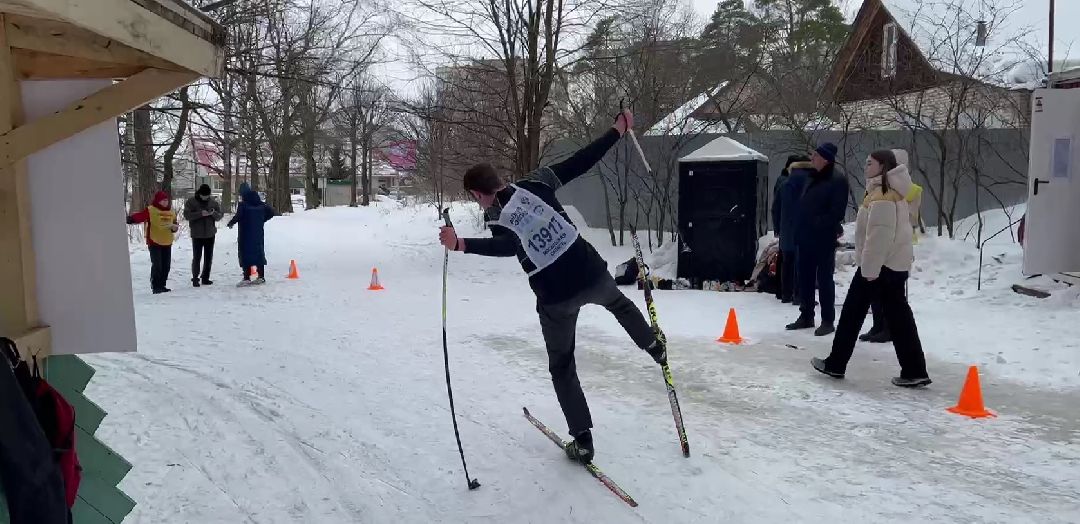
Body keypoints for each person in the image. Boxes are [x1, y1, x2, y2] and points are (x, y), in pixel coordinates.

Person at [438, 110, 665, 465]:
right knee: (619, 304)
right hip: (591, 272)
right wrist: (617, 130)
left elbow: (507, 246)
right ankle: (653, 345)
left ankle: (584, 441)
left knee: (562, 365)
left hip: (556, 297)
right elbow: (581, 160)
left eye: (475, 197)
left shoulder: (497, 216)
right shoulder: (538, 181)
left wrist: (460, 244)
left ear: (478, 193)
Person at [811, 150, 932, 388]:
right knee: (898, 319)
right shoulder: (887, 192)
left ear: (884, 167)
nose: (865, 166)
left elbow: (879, 237)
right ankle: (914, 369)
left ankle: (836, 364)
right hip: (888, 266)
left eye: (870, 163)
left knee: (852, 315)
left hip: (879, 268)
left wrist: (868, 270)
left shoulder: (883, 196)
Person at [861, 149, 922, 343]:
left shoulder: (904, 188)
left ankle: (887, 328)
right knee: (885, 299)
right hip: (893, 242)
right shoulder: (879, 186)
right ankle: (879, 325)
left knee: (893, 300)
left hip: (896, 242)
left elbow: (910, 213)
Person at [787, 143, 849, 336]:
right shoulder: (812, 177)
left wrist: (816, 223)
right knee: (804, 278)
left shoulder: (837, 180)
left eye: (815, 156)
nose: (811, 158)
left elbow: (837, 212)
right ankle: (806, 315)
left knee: (824, 280)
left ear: (825, 159)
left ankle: (827, 320)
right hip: (804, 237)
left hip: (822, 238)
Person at [773, 155, 812, 304]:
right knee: (801, 262)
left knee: (787, 261)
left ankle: (786, 294)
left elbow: (775, 208)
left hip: (786, 229)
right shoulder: (810, 184)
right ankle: (799, 295)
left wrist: (777, 227)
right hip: (804, 229)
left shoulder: (784, 184)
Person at [127, 190, 178, 294]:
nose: (165, 202)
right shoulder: (151, 210)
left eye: (166, 200)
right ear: (158, 201)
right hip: (154, 241)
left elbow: (175, 223)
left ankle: (162, 285)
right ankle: (156, 286)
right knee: (157, 265)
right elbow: (141, 216)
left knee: (166, 265)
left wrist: (174, 228)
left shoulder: (171, 211)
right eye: (163, 200)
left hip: (167, 241)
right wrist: (131, 219)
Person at [228, 186, 275, 286]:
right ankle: (261, 277)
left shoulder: (243, 205)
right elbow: (271, 212)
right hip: (258, 233)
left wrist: (231, 222)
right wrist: (262, 219)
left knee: (245, 253)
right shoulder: (261, 205)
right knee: (258, 253)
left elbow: (239, 216)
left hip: (245, 232)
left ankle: (246, 277)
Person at [183, 184, 224, 287]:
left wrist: (213, 213)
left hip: (210, 234)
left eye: (207, 195)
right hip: (197, 234)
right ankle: (195, 278)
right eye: (203, 195)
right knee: (197, 257)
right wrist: (201, 214)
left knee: (208, 257)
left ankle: (205, 277)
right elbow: (187, 215)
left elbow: (219, 216)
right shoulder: (191, 202)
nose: (205, 197)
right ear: (199, 194)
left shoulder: (213, 202)